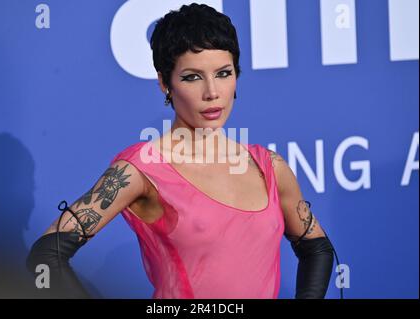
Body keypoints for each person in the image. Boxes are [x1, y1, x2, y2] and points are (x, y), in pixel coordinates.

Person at [26, 3, 335, 299]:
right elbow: (45, 256)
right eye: (192, 77)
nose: (212, 92)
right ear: (164, 83)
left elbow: (316, 248)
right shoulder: (141, 168)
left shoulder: (268, 166)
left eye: (223, 73)